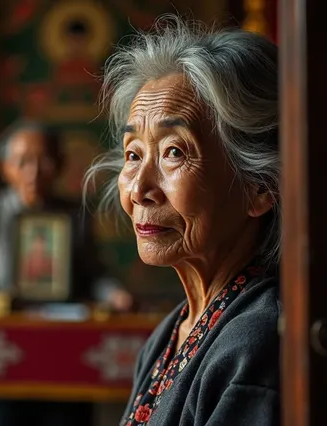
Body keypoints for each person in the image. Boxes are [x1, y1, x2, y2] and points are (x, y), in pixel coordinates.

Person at [86, 15, 281, 426]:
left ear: (259, 187)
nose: (139, 189)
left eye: (174, 152)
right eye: (134, 154)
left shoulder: (258, 342)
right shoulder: (171, 334)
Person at [0, 120, 134, 426]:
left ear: (59, 165)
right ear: (5, 167)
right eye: (22, 162)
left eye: (43, 160)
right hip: (8, 348)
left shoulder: (76, 214)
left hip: (63, 348)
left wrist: (114, 294)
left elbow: (94, 273)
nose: (33, 172)